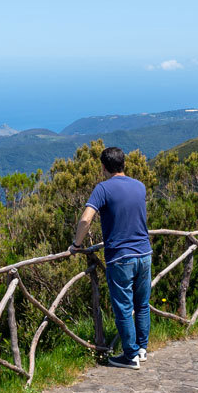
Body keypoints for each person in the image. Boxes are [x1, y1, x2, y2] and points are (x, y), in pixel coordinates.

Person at [71, 146, 151, 369]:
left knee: (124, 307)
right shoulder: (140, 186)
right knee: (142, 304)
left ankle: (130, 356)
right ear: (123, 163)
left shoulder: (103, 189)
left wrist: (77, 245)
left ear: (103, 167)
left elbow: (86, 219)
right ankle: (142, 350)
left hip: (121, 257)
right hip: (144, 254)